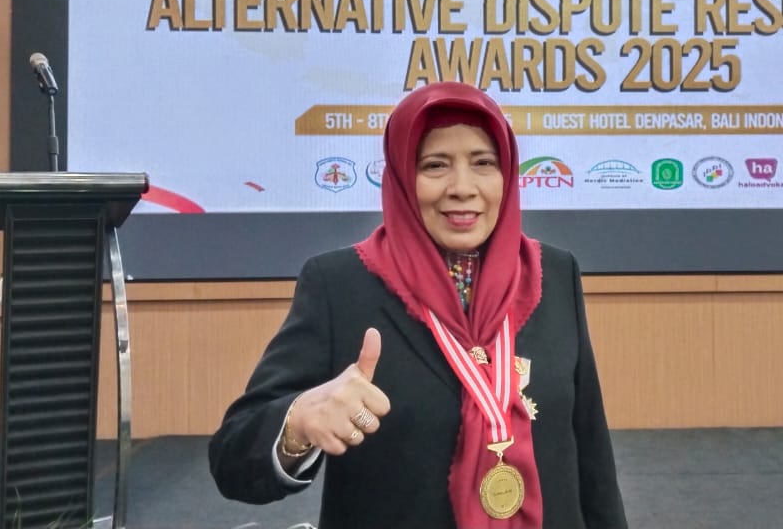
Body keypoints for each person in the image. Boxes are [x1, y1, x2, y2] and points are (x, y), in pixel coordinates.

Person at [209, 81, 627, 529]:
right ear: (402, 177)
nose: (462, 188)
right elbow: (233, 459)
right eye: (435, 165)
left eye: (483, 163)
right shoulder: (340, 285)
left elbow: (591, 454)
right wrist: (297, 423)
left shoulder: (552, 274)